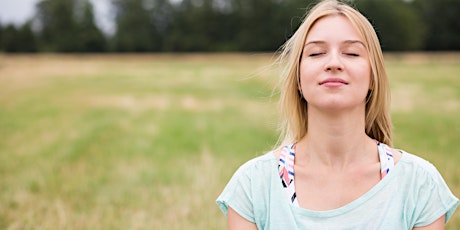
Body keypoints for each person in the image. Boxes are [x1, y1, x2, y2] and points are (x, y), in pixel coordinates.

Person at [216, 0, 459, 229]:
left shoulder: (419, 184)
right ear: (298, 78)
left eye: (352, 53)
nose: (333, 63)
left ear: (373, 76)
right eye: (316, 53)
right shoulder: (252, 186)